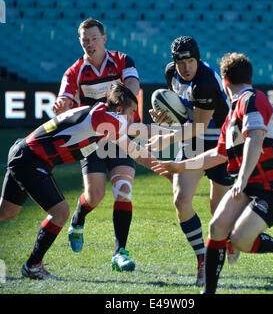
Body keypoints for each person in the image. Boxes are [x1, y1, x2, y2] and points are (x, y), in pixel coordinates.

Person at [151, 52, 273, 293]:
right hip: (250, 185)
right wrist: (180, 166)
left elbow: (256, 138)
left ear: (224, 81)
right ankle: (208, 291)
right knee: (218, 228)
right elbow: (217, 155)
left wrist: (241, 178)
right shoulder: (231, 115)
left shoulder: (253, 99)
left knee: (239, 239)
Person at [0, 83, 157, 280]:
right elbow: (141, 131)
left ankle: (33, 265)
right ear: (118, 109)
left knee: (6, 212)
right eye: (132, 111)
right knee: (60, 212)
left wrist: (167, 170)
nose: (134, 116)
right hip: (30, 159)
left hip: (24, 154)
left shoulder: (102, 119)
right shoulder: (104, 118)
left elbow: (136, 152)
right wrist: (177, 128)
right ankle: (33, 265)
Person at [52, 18, 141, 272]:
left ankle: (119, 253)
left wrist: (121, 101)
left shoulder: (123, 61)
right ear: (80, 42)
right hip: (91, 140)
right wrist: (61, 106)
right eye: (85, 40)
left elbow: (132, 86)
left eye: (93, 39)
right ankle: (78, 218)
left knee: (123, 189)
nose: (89, 44)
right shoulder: (74, 71)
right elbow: (64, 101)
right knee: (95, 195)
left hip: (121, 136)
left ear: (104, 39)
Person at [147, 36, 235, 286]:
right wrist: (167, 120)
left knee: (218, 211)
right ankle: (202, 259)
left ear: (198, 59)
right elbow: (184, 116)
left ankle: (234, 237)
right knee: (181, 200)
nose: (186, 67)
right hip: (193, 140)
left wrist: (167, 138)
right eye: (181, 62)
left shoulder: (205, 83)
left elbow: (199, 125)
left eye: (191, 61)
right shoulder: (170, 74)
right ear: (174, 62)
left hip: (221, 141)